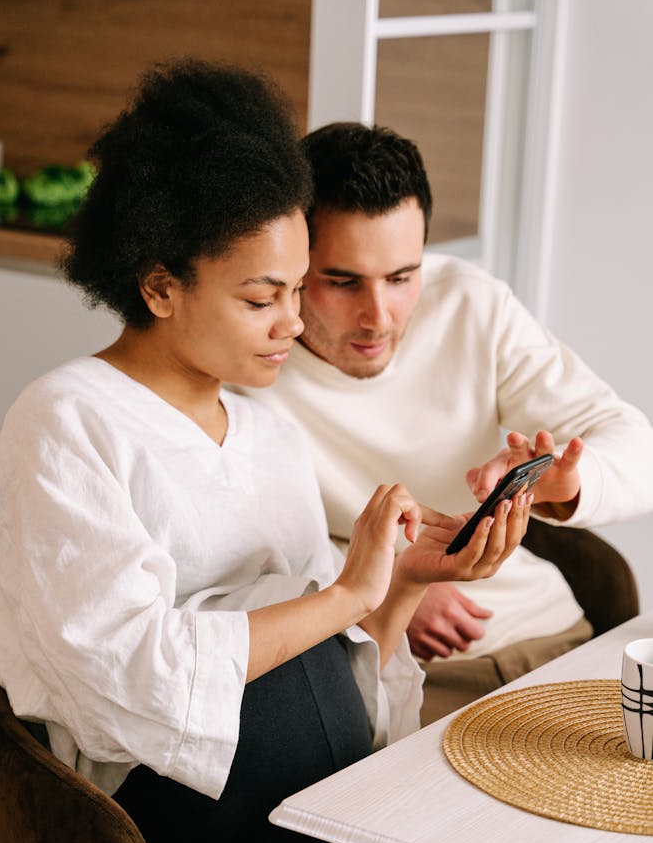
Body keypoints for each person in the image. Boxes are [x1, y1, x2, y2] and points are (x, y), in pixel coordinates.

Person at [0, 62, 653, 843]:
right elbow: (134, 680)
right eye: (263, 296)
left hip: (328, 811)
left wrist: (404, 583)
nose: (297, 324)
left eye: (295, 289)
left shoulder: (264, 427)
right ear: (158, 283)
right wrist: (341, 594)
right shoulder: (69, 422)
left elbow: (349, 677)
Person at [256, 121, 653, 726]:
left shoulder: (470, 302)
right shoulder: (248, 362)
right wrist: (390, 583)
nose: (378, 316)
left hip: (554, 636)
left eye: (401, 277)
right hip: (405, 676)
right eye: (342, 282)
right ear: (296, 263)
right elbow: (233, 562)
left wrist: (562, 484)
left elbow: (634, 445)